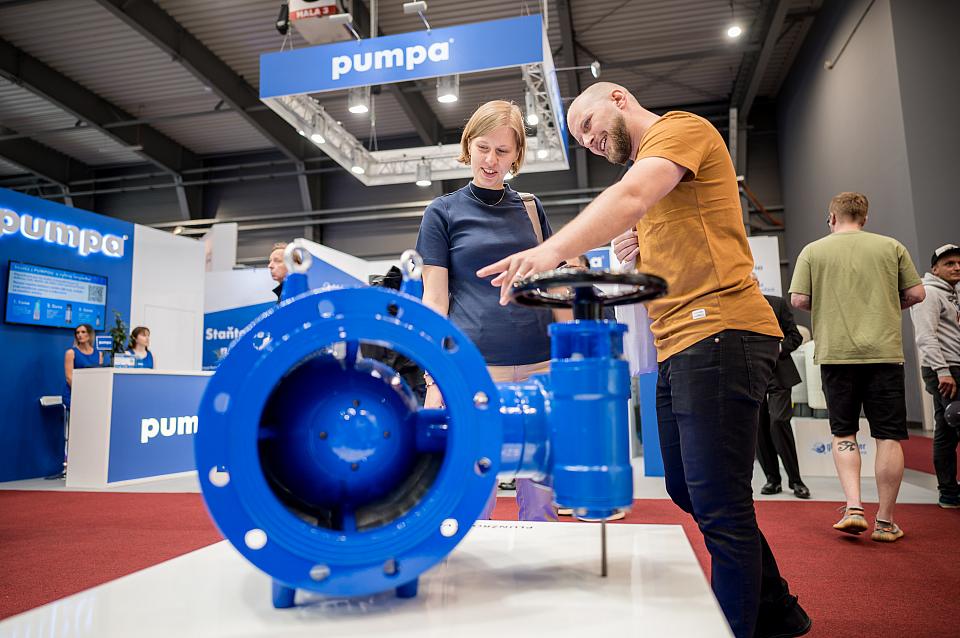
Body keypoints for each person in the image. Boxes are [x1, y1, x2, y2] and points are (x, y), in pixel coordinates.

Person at [477, 82, 809, 638]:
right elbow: (659, 241)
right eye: (581, 139)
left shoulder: (679, 130)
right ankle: (777, 608)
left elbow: (630, 196)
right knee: (685, 488)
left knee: (720, 503)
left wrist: (549, 251)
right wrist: (634, 252)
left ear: (618, 98)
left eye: (587, 124)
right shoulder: (655, 180)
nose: (588, 140)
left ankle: (742, 625)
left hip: (722, 328)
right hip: (677, 343)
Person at [415, 99, 564, 523]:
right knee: (473, 496)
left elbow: (554, 285)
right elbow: (435, 300)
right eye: (483, 148)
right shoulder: (442, 212)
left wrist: (568, 357)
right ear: (468, 146)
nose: (491, 160)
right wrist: (434, 375)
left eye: (502, 151)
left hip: (541, 367)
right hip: (474, 370)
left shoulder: (531, 209)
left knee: (542, 501)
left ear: (516, 155)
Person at [789, 192, 925, 543]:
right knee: (888, 435)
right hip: (884, 354)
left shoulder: (813, 251)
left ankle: (853, 508)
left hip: (837, 355)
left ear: (832, 217)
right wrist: (888, 302)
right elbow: (917, 294)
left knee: (844, 433)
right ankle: (886, 522)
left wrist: (830, 304)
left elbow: (799, 299)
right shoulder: (891, 247)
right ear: (864, 217)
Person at [909, 243, 960, 509]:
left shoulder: (954, 293)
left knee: (946, 430)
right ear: (935, 269)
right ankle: (948, 491)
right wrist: (943, 371)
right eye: (949, 263)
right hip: (945, 370)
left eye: (959, 263)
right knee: (953, 423)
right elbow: (925, 336)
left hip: (954, 367)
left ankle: (949, 492)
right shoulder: (928, 293)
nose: (956, 267)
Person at [751, 274, 810, 499]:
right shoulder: (734, 310)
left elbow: (795, 336)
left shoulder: (777, 304)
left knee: (778, 422)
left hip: (779, 374)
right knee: (758, 428)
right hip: (752, 377)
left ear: (758, 284)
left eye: (752, 283)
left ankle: (796, 480)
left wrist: (778, 349)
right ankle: (772, 479)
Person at [64, 324, 102, 410]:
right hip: (74, 394)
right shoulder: (71, 353)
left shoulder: (99, 354)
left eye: (83, 332)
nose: (80, 335)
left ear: (90, 334)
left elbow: (99, 376)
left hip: (92, 395)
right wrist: (83, 392)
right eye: (77, 333)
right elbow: (69, 378)